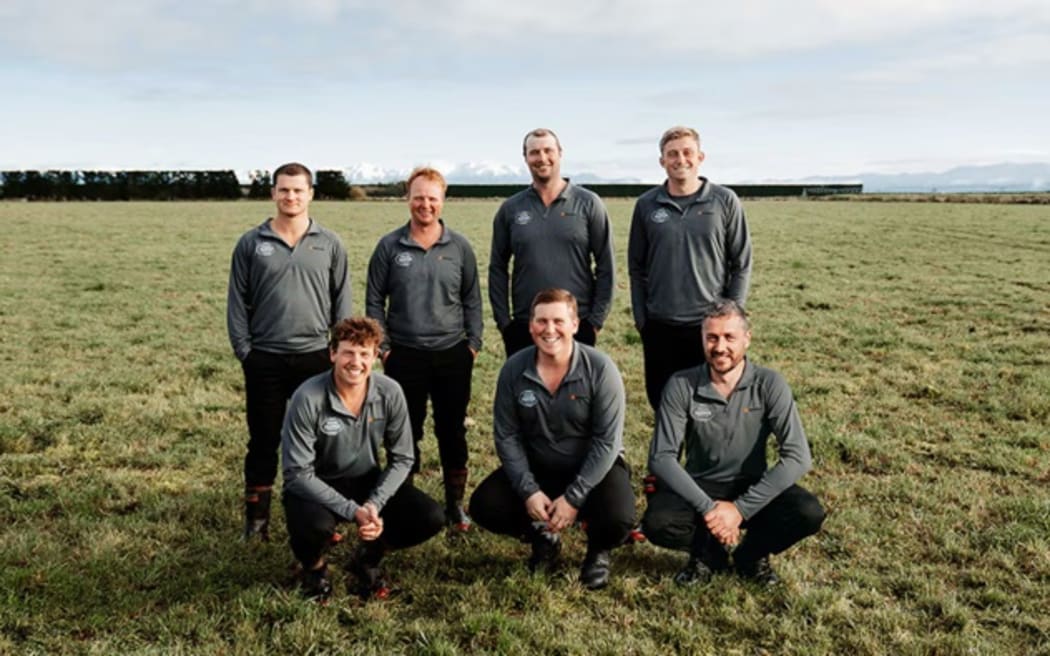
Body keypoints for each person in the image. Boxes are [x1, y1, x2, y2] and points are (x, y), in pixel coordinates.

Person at [641, 300, 825, 586]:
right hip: (700, 484)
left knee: (808, 512)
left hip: (752, 485)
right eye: (712, 337)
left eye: (729, 337)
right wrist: (709, 509)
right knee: (657, 521)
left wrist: (740, 510)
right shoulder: (681, 384)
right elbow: (661, 457)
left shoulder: (769, 384)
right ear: (702, 339)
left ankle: (751, 556)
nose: (720, 347)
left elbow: (798, 456)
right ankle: (707, 555)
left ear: (746, 339)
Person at [469, 289, 635, 590]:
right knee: (484, 505)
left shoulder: (601, 369)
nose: (549, 329)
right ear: (531, 325)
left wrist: (574, 498)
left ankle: (598, 551)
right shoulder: (514, 370)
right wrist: (528, 489)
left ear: (574, 324)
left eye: (558, 321)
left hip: (593, 469)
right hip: (539, 466)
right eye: (541, 321)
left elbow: (607, 441)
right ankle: (543, 536)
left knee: (619, 516)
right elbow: (506, 435)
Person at [226, 162, 352, 541]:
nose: (291, 197)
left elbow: (341, 302)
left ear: (310, 194)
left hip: (315, 357)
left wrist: (338, 351)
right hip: (265, 356)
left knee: (322, 438)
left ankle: (322, 516)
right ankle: (257, 523)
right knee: (263, 438)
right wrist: (245, 350)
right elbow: (237, 301)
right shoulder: (251, 243)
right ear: (273, 194)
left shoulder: (329, 243)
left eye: (298, 190)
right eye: (284, 190)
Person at [281, 317, 444, 602]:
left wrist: (373, 504)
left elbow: (403, 458)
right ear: (333, 353)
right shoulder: (307, 397)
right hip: (316, 484)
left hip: (366, 479)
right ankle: (315, 570)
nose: (355, 362)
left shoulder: (390, 392)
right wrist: (351, 510)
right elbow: (297, 473)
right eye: (348, 352)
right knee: (313, 526)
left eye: (364, 353)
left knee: (430, 516)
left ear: (376, 357)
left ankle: (368, 557)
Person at [366, 167, 483, 531]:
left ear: (442, 200)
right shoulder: (389, 246)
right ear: (408, 199)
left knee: (452, 431)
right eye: (419, 197)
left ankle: (455, 507)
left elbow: (472, 300)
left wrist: (473, 344)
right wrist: (384, 348)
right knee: (405, 432)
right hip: (404, 355)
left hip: (452, 353)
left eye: (432, 198)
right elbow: (374, 301)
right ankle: (405, 502)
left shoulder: (460, 247)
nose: (425, 205)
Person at [628, 126, 753, 410]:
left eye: (687, 152)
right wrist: (641, 318)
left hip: (708, 326)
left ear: (700, 157)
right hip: (660, 326)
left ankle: (707, 455)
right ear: (662, 161)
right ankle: (668, 454)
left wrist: (731, 315)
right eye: (672, 154)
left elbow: (741, 262)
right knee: (662, 402)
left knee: (709, 405)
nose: (680, 159)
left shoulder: (724, 201)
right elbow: (636, 267)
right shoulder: (647, 205)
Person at [489, 128, 615, 357]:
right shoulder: (511, 209)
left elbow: (606, 264)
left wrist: (595, 321)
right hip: (525, 326)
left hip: (577, 325)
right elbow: (497, 267)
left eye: (548, 150)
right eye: (534, 152)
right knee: (527, 392)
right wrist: (504, 323)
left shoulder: (589, 203)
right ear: (525, 157)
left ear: (560, 153)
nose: (542, 158)